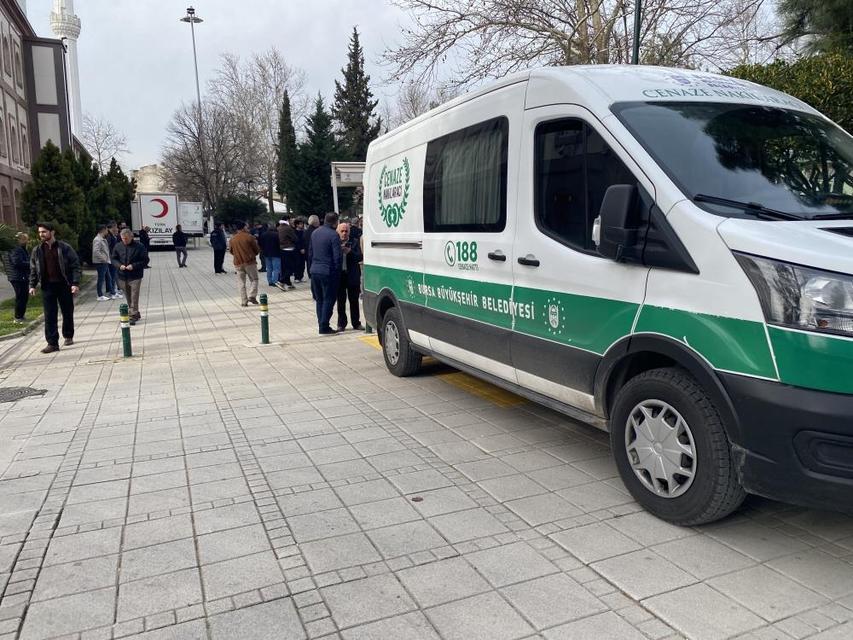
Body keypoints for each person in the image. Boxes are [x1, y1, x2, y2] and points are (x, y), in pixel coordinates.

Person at [28, 223, 81, 353]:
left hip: (64, 285)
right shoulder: (37, 250)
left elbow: (75, 265)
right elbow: (34, 269)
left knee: (67, 311)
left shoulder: (64, 248)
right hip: (47, 286)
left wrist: (75, 283)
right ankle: (52, 343)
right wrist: (32, 285)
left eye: (44, 232)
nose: (41, 234)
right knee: (49, 315)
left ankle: (68, 335)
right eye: (40, 232)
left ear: (52, 232)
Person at [308, 212, 342, 335]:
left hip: (315, 270)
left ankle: (321, 323)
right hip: (328, 271)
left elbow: (310, 253)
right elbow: (337, 257)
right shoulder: (334, 235)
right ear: (335, 222)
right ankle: (324, 326)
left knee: (319, 299)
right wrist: (337, 272)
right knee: (329, 299)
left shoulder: (315, 233)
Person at [111, 229, 147, 325]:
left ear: (131, 237)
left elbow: (145, 260)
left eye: (126, 238)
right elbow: (113, 259)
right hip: (122, 276)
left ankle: (132, 315)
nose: (124, 240)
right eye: (123, 238)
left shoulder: (139, 246)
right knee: (128, 295)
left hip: (135, 276)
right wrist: (119, 265)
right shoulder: (118, 246)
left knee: (134, 295)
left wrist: (134, 266)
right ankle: (135, 312)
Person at [335, 222, 363, 331]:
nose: (344, 233)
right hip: (340, 275)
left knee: (354, 301)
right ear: (338, 232)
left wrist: (350, 252)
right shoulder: (335, 242)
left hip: (352, 275)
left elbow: (360, 257)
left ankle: (356, 323)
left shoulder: (354, 242)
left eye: (346, 231)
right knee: (341, 301)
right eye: (342, 231)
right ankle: (341, 324)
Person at [229, 221, 260, 306]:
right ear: (243, 227)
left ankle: (244, 301)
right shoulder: (249, 237)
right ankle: (252, 296)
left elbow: (231, 251)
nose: (248, 228)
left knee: (241, 282)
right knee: (254, 279)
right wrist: (252, 254)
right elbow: (257, 250)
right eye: (246, 226)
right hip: (249, 262)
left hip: (238, 263)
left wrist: (238, 255)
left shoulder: (233, 239)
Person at [7, 232, 30, 324]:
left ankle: (21, 315)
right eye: (25, 240)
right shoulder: (16, 249)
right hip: (18, 276)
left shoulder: (21, 249)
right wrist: (31, 264)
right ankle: (18, 317)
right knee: (21, 296)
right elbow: (17, 262)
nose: (27, 242)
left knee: (24, 296)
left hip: (20, 276)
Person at [92, 225, 114, 301]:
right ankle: (100, 295)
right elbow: (96, 251)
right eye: (106, 230)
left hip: (104, 262)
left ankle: (112, 293)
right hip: (101, 262)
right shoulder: (97, 239)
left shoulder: (101, 239)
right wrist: (104, 259)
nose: (107, 231)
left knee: (108, 277)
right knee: (101, 279)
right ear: (103, 230)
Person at [258, 223, 282, 289]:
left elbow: (260, 243)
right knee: (276, 269)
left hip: (266, 254)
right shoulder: (277, 235)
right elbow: (279, 244)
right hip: (276, 253)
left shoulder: (263, 235)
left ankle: (270, 281)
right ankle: (275, 281)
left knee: (269, 268)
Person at [277, 217, 297, 289]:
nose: (292, 222)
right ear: (287, 220)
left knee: (285, 267)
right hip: (289, 248)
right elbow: (295, 238)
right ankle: (281, 281)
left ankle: (288, 283)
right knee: (291, 267)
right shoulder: (288, 228)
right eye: (291, 220)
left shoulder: (279, 227)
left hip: (282, 249)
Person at [106, 222, 123, 299]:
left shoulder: (112, 235)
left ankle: (113, 290)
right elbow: (108, 248)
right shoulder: (109, 236)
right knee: (113, 275)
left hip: (114, 257)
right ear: (113, 227)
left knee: (114, 275)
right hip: (112, 258)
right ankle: (112, 291)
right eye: (116, 227)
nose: (117, 229)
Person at [293, 218, 306, 282]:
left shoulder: (303, 232)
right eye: (300, 224)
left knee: (302, 264)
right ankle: (296, 277)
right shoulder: (294, 232)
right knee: (297, 264)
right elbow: (296, 241)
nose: (302, 225)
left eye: (302, 224)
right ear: (297, 225)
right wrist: (300, 248)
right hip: (297, 250)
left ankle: (301, 276)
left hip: (304, 250)